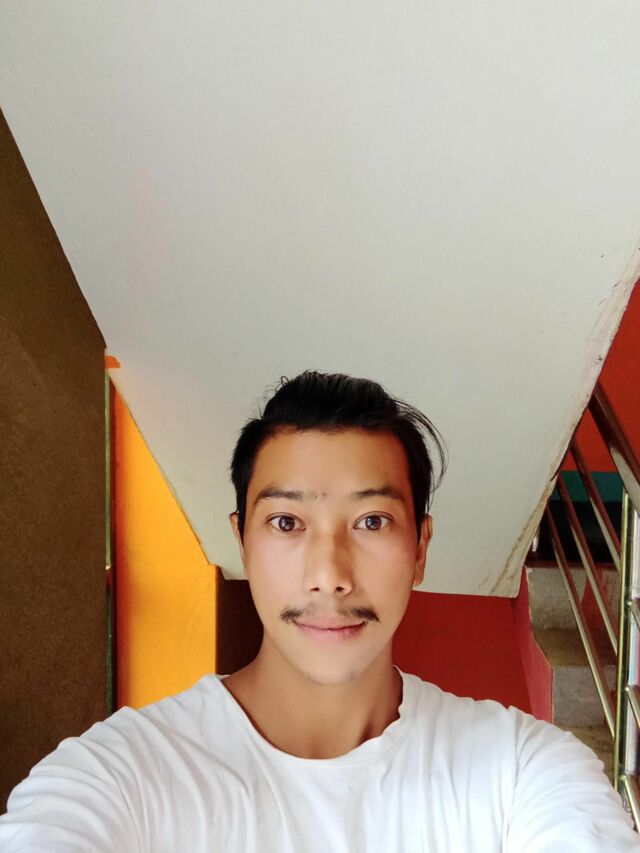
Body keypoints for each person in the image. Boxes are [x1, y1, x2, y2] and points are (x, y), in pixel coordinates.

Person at [1, 370, 638, 851]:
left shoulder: (523, 773)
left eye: (371, 521)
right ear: (243, 543)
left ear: (420, 549)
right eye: (287, 522)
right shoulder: (116, 778)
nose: (329, 575)